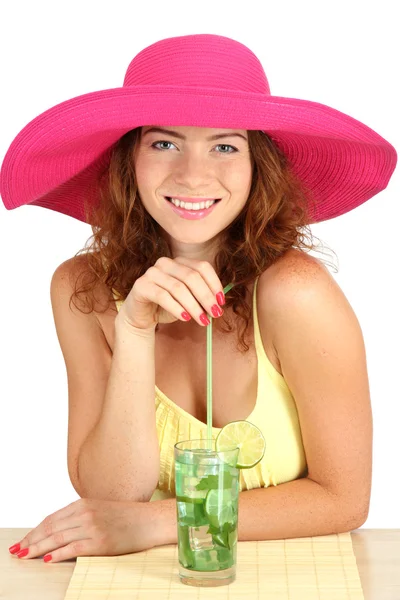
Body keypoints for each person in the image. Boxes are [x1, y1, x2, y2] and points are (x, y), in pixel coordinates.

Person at [2, 33, 397, 564]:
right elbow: (114, 498)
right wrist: (135, 331)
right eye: (164, 143)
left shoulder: (296, 294)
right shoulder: (83, 290)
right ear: (129, 159)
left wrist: (160, 521)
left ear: (260, 164)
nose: (193, 175)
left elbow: (345, 500)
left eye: (225, 146)